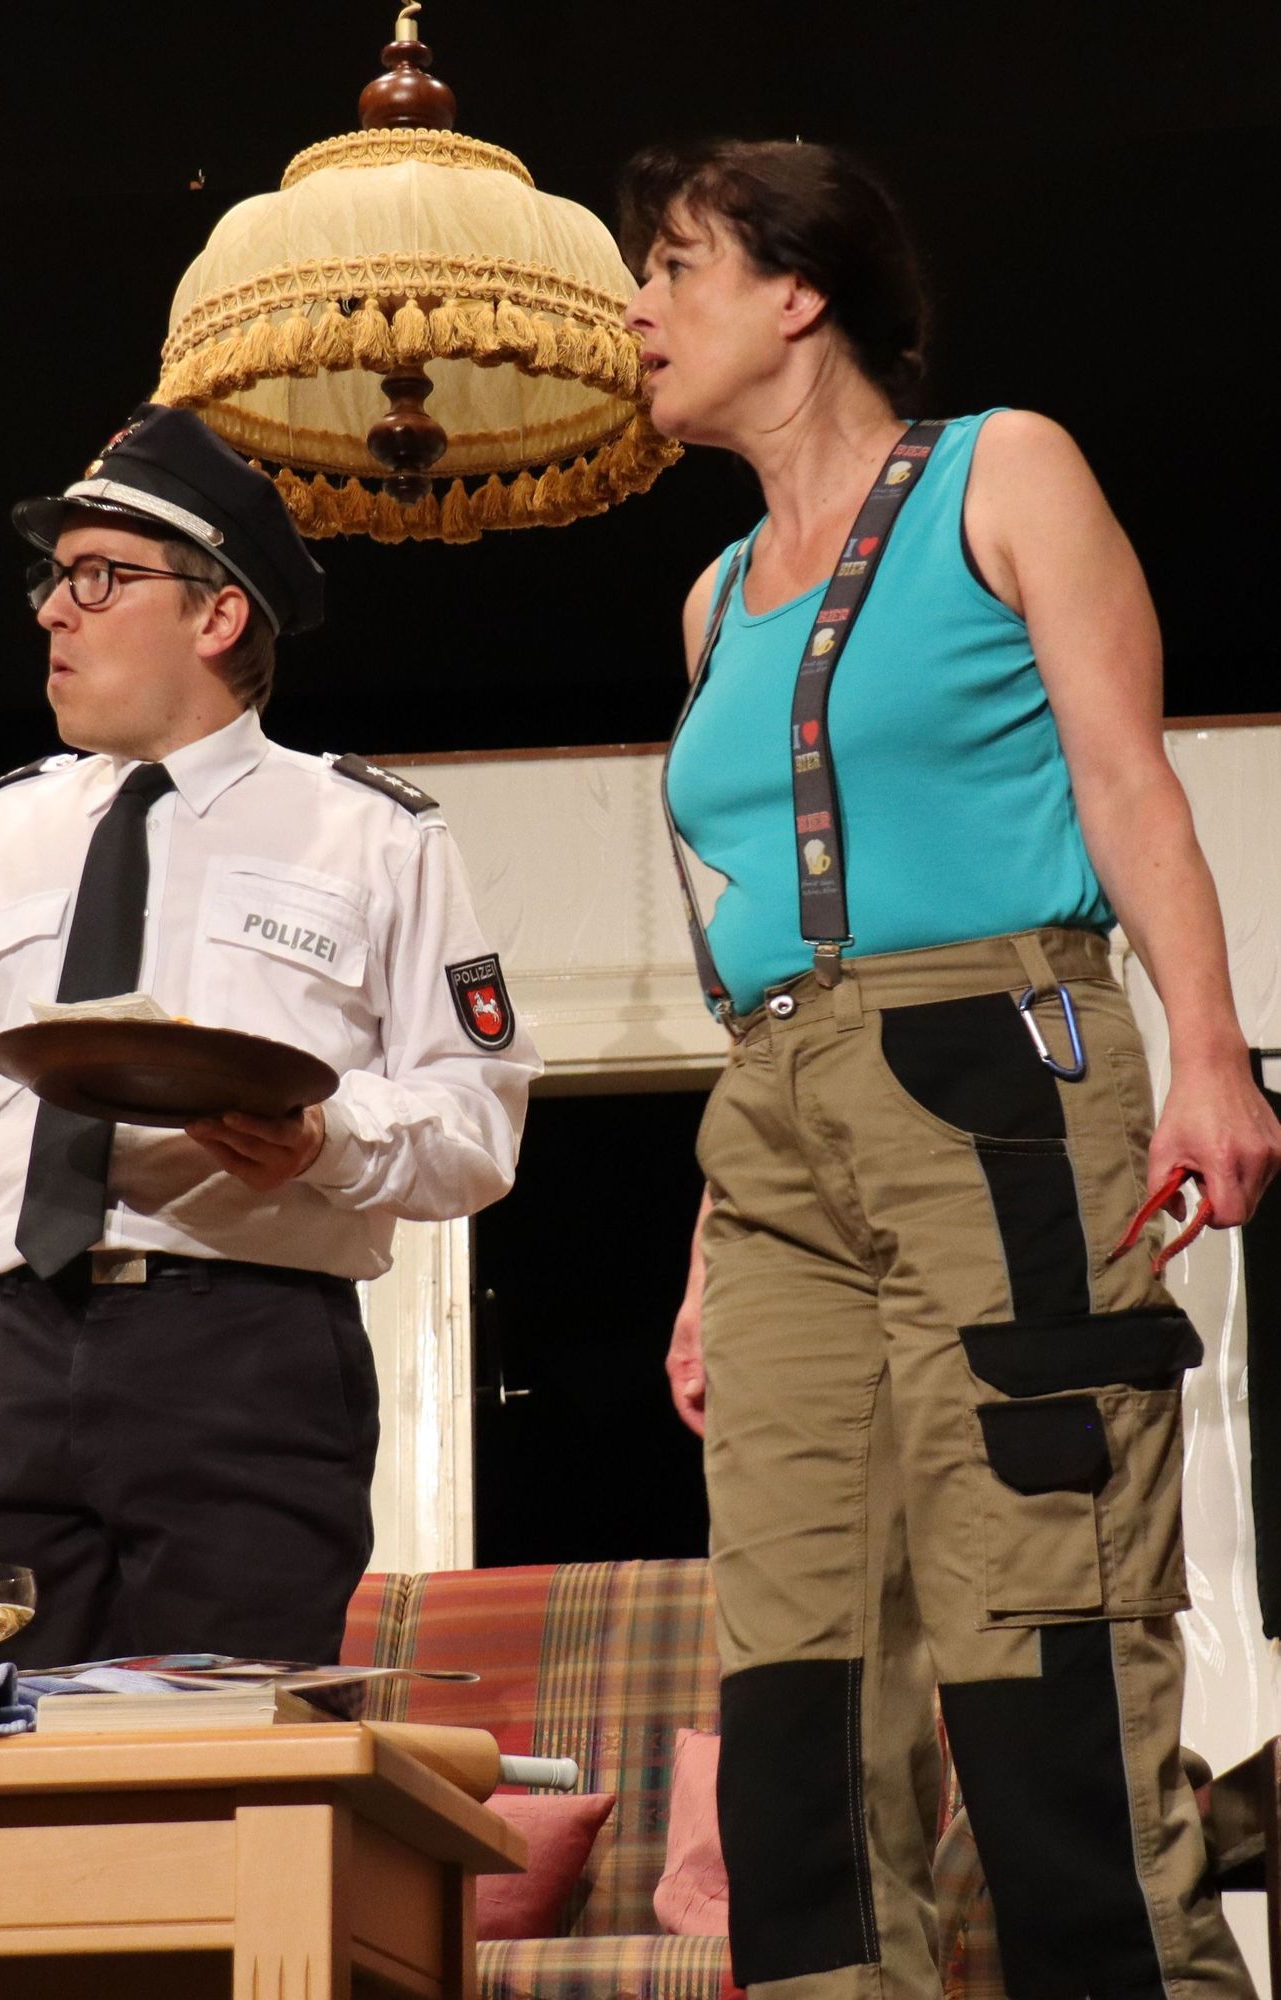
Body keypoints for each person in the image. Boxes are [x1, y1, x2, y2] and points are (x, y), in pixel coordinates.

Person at [620, 140, 1280, 1998]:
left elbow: (1125, 777)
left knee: (1040, 1645)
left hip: (996, 1072)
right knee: (797, 1685)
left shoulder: (1004, 470)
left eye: (673, 266)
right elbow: (752, 944)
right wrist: (711, 1247)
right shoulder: (714, 597)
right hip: (776, 1131)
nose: (637, 311)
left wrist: (1210, 1053)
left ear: (799, 292)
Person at [0, 404, 538, 1669]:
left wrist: (325, 1135)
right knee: (4, 1737)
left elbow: (477, 1118)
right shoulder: (5, 828)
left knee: (226, 1736)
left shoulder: (372, 833)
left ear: (216, 615)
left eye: (99, 577)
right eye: (54, 578)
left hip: (244, 1349)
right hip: (7, 1346)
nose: (55, 610)